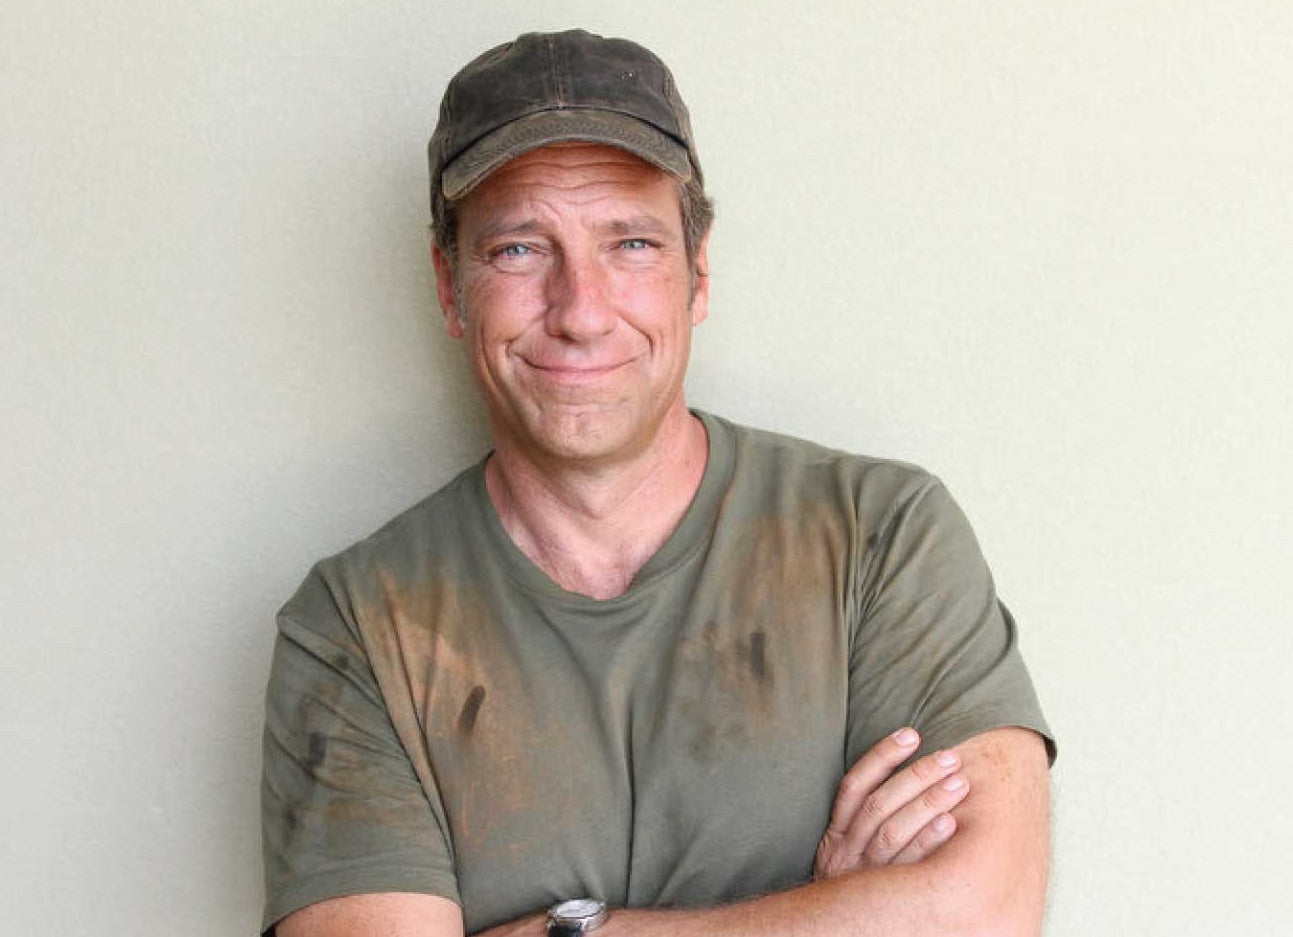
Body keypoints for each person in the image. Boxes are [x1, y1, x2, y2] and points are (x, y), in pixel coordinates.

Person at [261, 28, 1055, 937]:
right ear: (449, 287)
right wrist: (834, 913)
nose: (581, 311)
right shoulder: (357, 626)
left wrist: (570, 930)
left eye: (631, 243)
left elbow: (983, 916)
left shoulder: (881, 536)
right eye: (519, 249)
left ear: (698, 272)